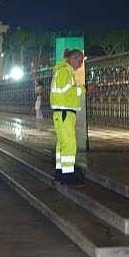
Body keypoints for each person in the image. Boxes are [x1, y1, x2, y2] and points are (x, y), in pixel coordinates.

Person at [50, 49, 85, 186]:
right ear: (72, 58)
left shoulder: (63, 70)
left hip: (63, 112)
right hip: (64, 111)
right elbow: (63, 90)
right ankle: (68, 175)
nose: (81, 64)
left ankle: (60, 172)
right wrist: (82, 88)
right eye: (80, 60)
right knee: (69, 144)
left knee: (62, 144)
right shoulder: (64, 71)